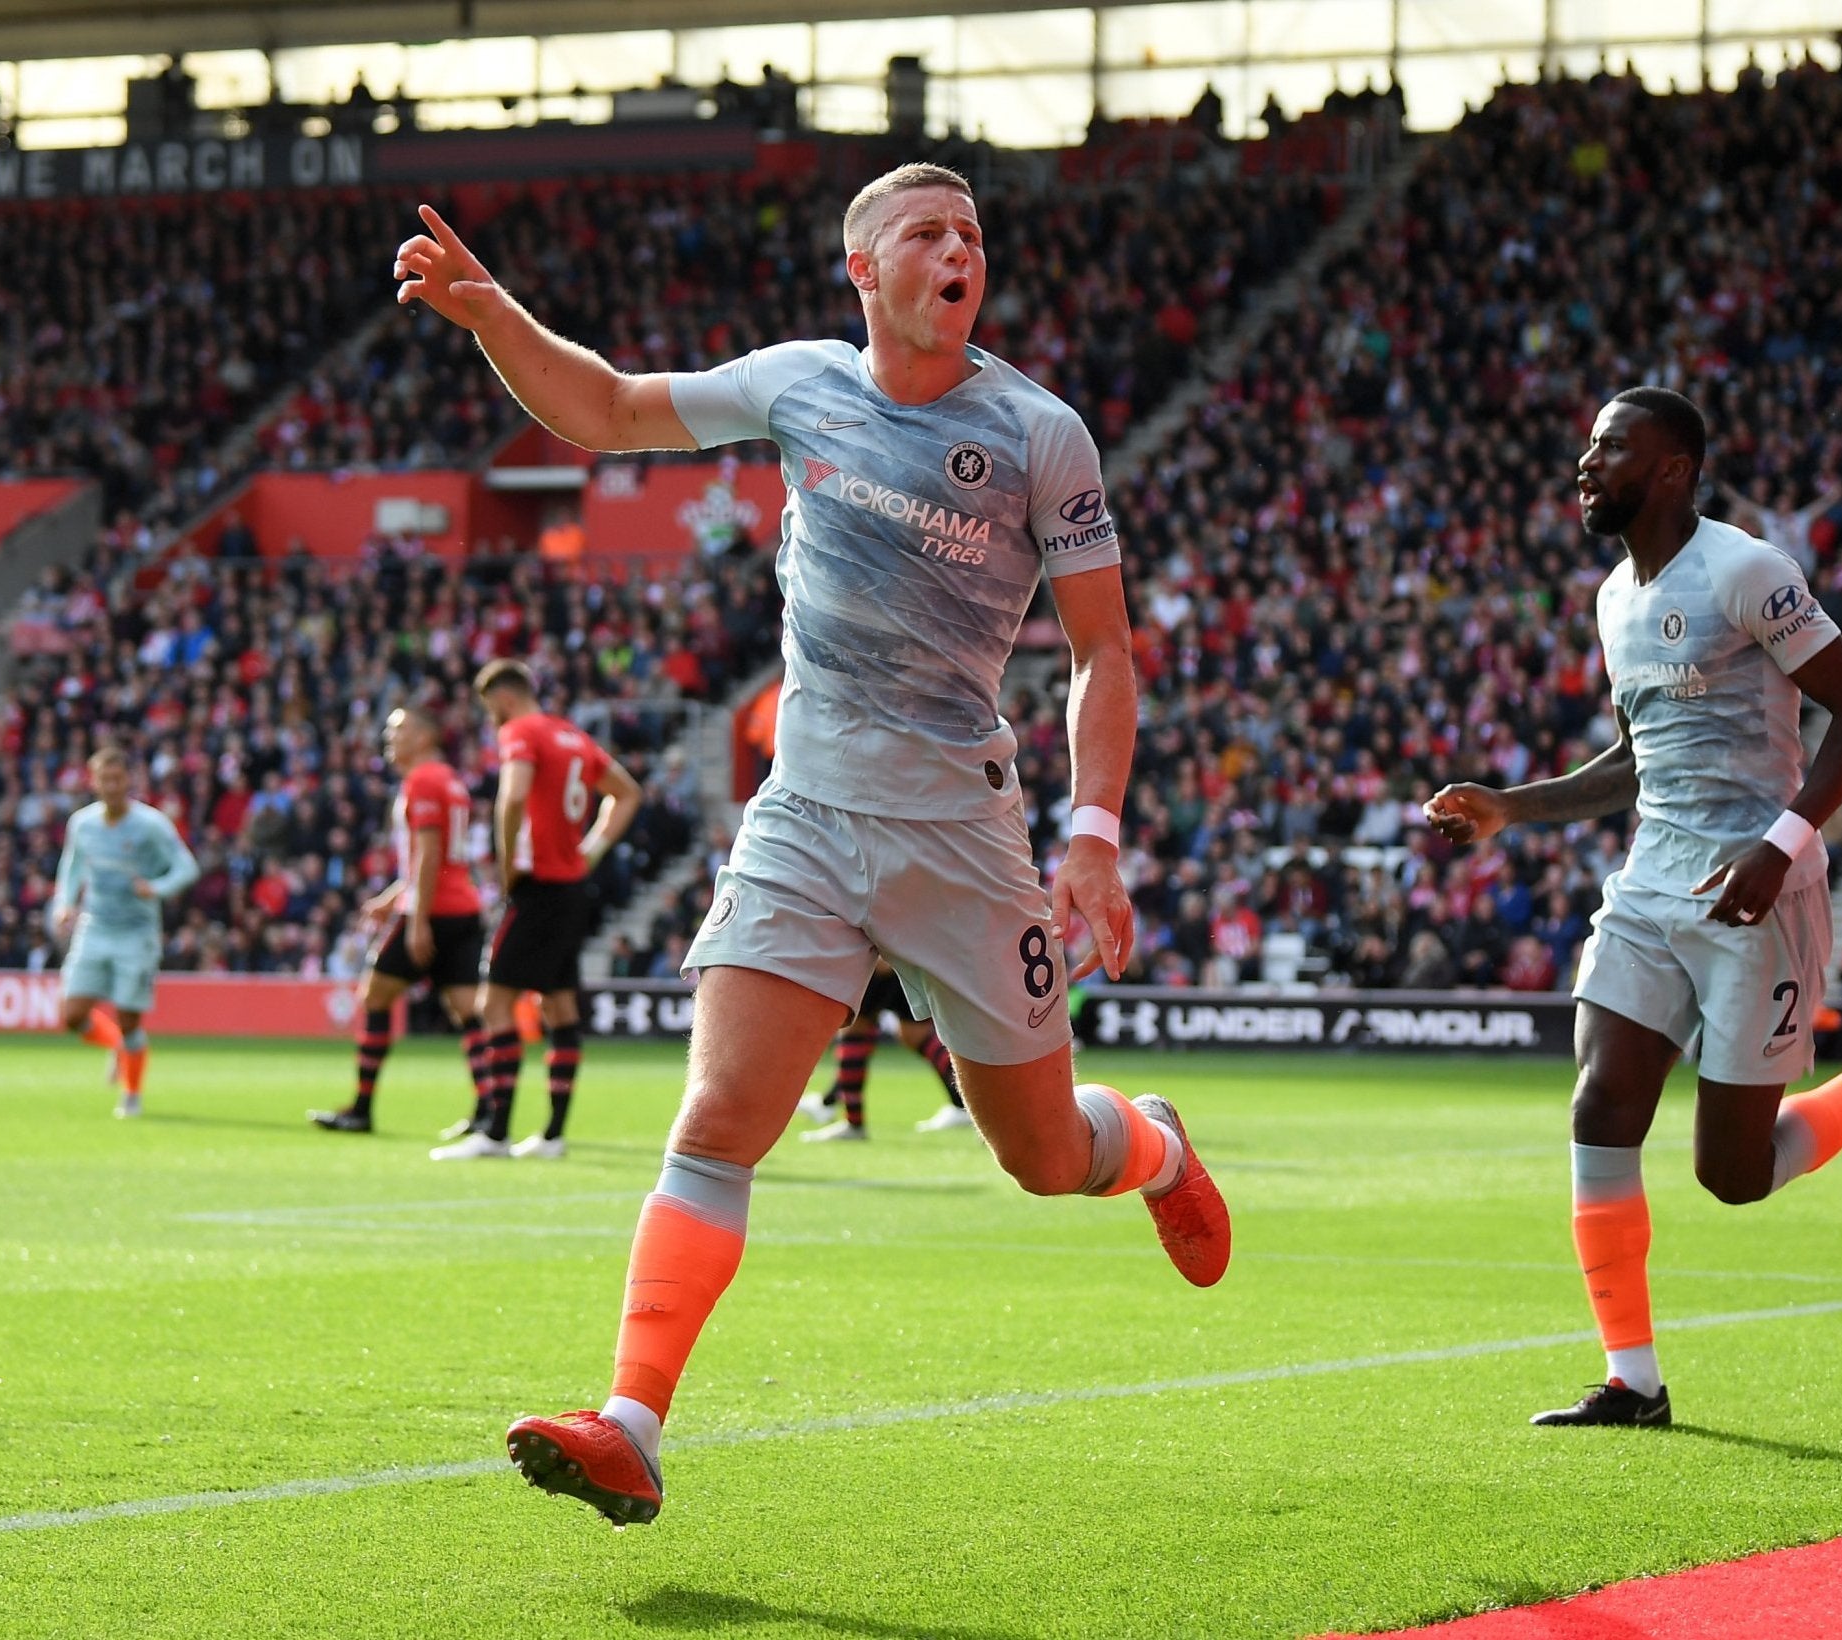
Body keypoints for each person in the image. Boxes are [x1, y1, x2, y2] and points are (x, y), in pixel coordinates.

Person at [392, 161, 1229, 1524]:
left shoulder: (1038, 432)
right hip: (804, 816)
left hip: (962, 832)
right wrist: (496, 319)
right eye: (926, 232)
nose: (958, 249)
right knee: (718, 1123)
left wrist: (1094, 834)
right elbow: (602, 408)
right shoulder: (799, 384)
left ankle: (1150, 1144)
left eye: (971, 234)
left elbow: (1100, 651)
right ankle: (630, 1425)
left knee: (1034, 1154)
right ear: (865, 270)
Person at [1427, 387, 1842, 1430]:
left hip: (1760, 889)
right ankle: (1632, 1378)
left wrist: (1781, 842)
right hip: (1651, 882)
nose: (1585, 464)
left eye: (1608, 448)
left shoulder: (1746, 569)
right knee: (1598, 1107)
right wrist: (1507, 807)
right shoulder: (1611, 597)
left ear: (1672, 467)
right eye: (1583, 447)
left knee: (1733, 1174)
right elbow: (1634, 761)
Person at [430, 661, 642, 1162]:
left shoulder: (521, 732)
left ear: (502, 699)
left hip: (538, 885)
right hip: (571, 889)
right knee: (560, 1006)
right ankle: (552, 1135)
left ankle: (496, 1133)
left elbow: (513, 797)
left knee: (495, 1004)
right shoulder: (572, 735)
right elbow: (628, 793)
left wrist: (507, 867)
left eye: (490, 710)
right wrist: (590, 850)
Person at [310, 706, 492, 1136]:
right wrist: (393, 898)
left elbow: (429, 854)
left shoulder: (423, 780)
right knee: (466, 1009)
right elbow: (441, 856)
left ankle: (361, 1107)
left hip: (433, 911)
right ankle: (488, 1110)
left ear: (425, 736)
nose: (389, 738)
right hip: (463, 907)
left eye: (399, 729)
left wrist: (416, 918)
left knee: (375, 996)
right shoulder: (449, 779)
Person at [51, 747, 199, 1118]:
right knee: (72, 1015)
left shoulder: (151, 824)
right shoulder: (82, 824)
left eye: (118, 779)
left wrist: (157, 887)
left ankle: (131, 1095)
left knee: (130, 1017)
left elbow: (187, 868)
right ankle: (118, 1047)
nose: (112, 786)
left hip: (137, 933)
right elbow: (72, 867)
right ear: (93, 781)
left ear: (128, 781)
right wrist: (64, 904)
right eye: (105, 779)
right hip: (94, 926)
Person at [795, 958, 975, 1140]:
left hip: (880, 956)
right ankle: (976, 1104)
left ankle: (852, 1123)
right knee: (914, 1035)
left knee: (854, 1032)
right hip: (901, 958)